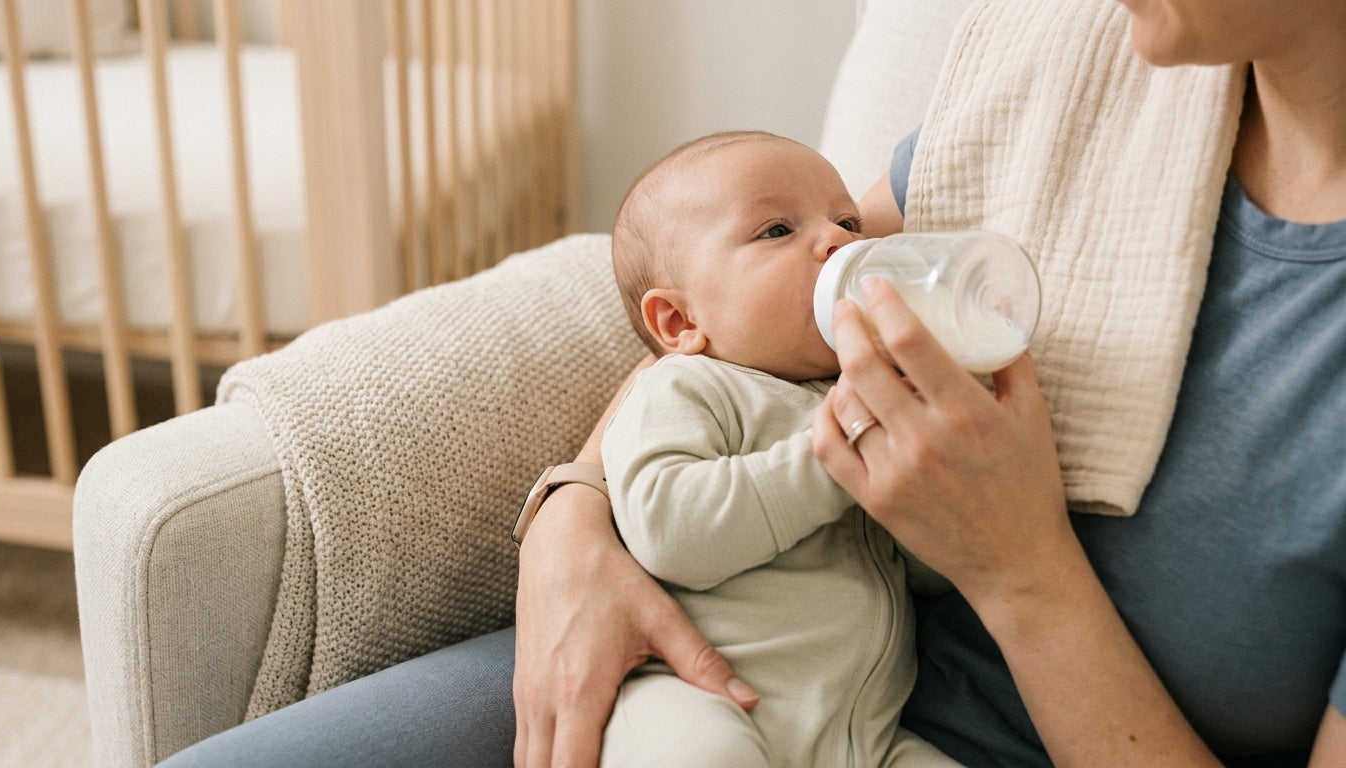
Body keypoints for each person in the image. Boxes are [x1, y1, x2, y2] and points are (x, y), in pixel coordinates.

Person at [160, 0, 1346, 765]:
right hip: (702, 666)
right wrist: (570, 521)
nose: (836, 241)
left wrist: (1016, 569)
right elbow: (744, 336)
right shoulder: (1071, 72)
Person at [595, 130, 951, 767]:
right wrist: (838, 450)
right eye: (776, 231)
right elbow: (670, 531)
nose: (840, 241)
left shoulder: (862, 393)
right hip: (702, 701)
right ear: (679, 323)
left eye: (847, 220)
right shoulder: (689, 387)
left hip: (864, 739)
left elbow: (928, 574)